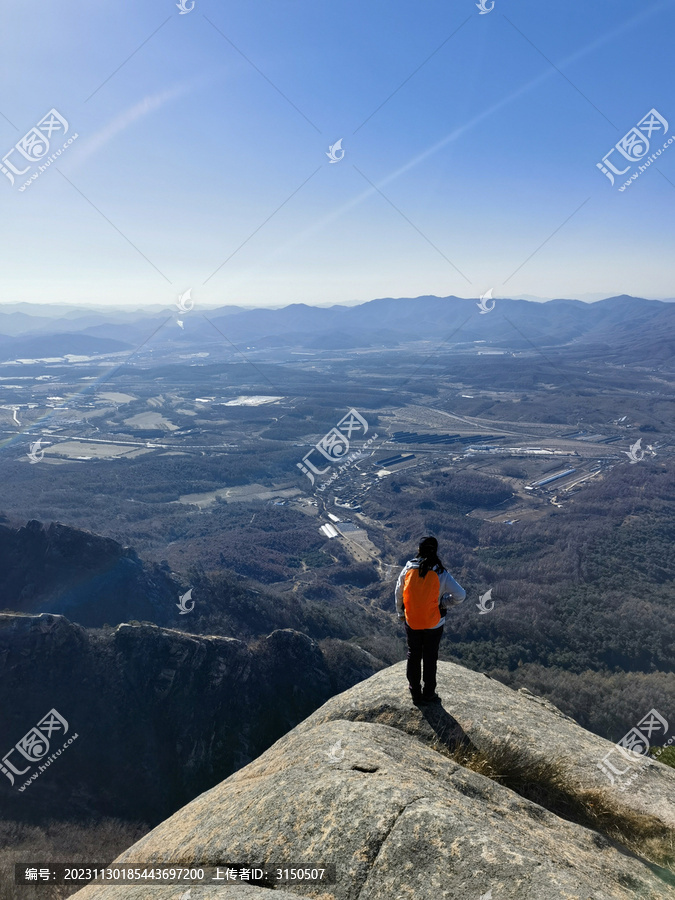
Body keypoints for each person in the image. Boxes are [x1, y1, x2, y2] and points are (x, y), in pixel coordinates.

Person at [395, 536, 466, 705]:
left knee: (414, 655)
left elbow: (399, 592)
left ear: (419, 550)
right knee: (430, 657)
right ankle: (429, 693)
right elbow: (461, 595)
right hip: (434, 623)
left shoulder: (408, 568)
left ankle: (415, 693)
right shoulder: (441, 573)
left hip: (412, 622)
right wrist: (442, 603)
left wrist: (400, 613)